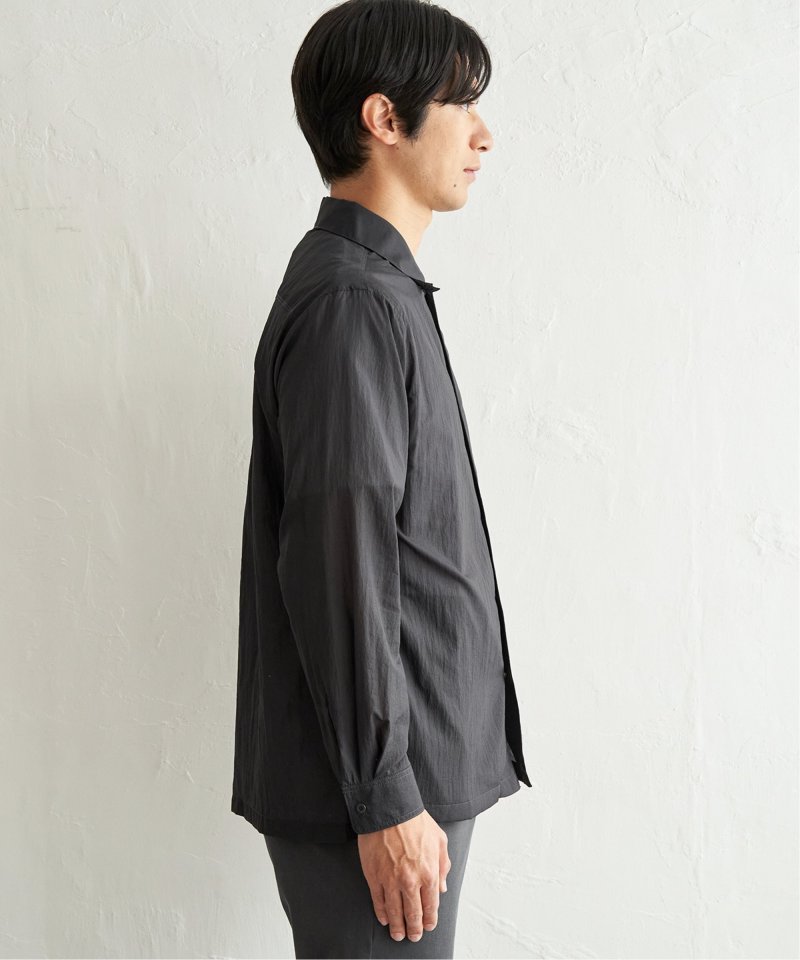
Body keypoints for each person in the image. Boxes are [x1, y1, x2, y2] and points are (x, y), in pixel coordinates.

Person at [230, 1, 532, 955]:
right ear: (384, 119)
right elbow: (339, 560)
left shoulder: (376, 289)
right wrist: (387, 796)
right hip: (382, 795)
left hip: (400, 777)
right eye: (461, 103)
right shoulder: (352, 303)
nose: (483, 134)